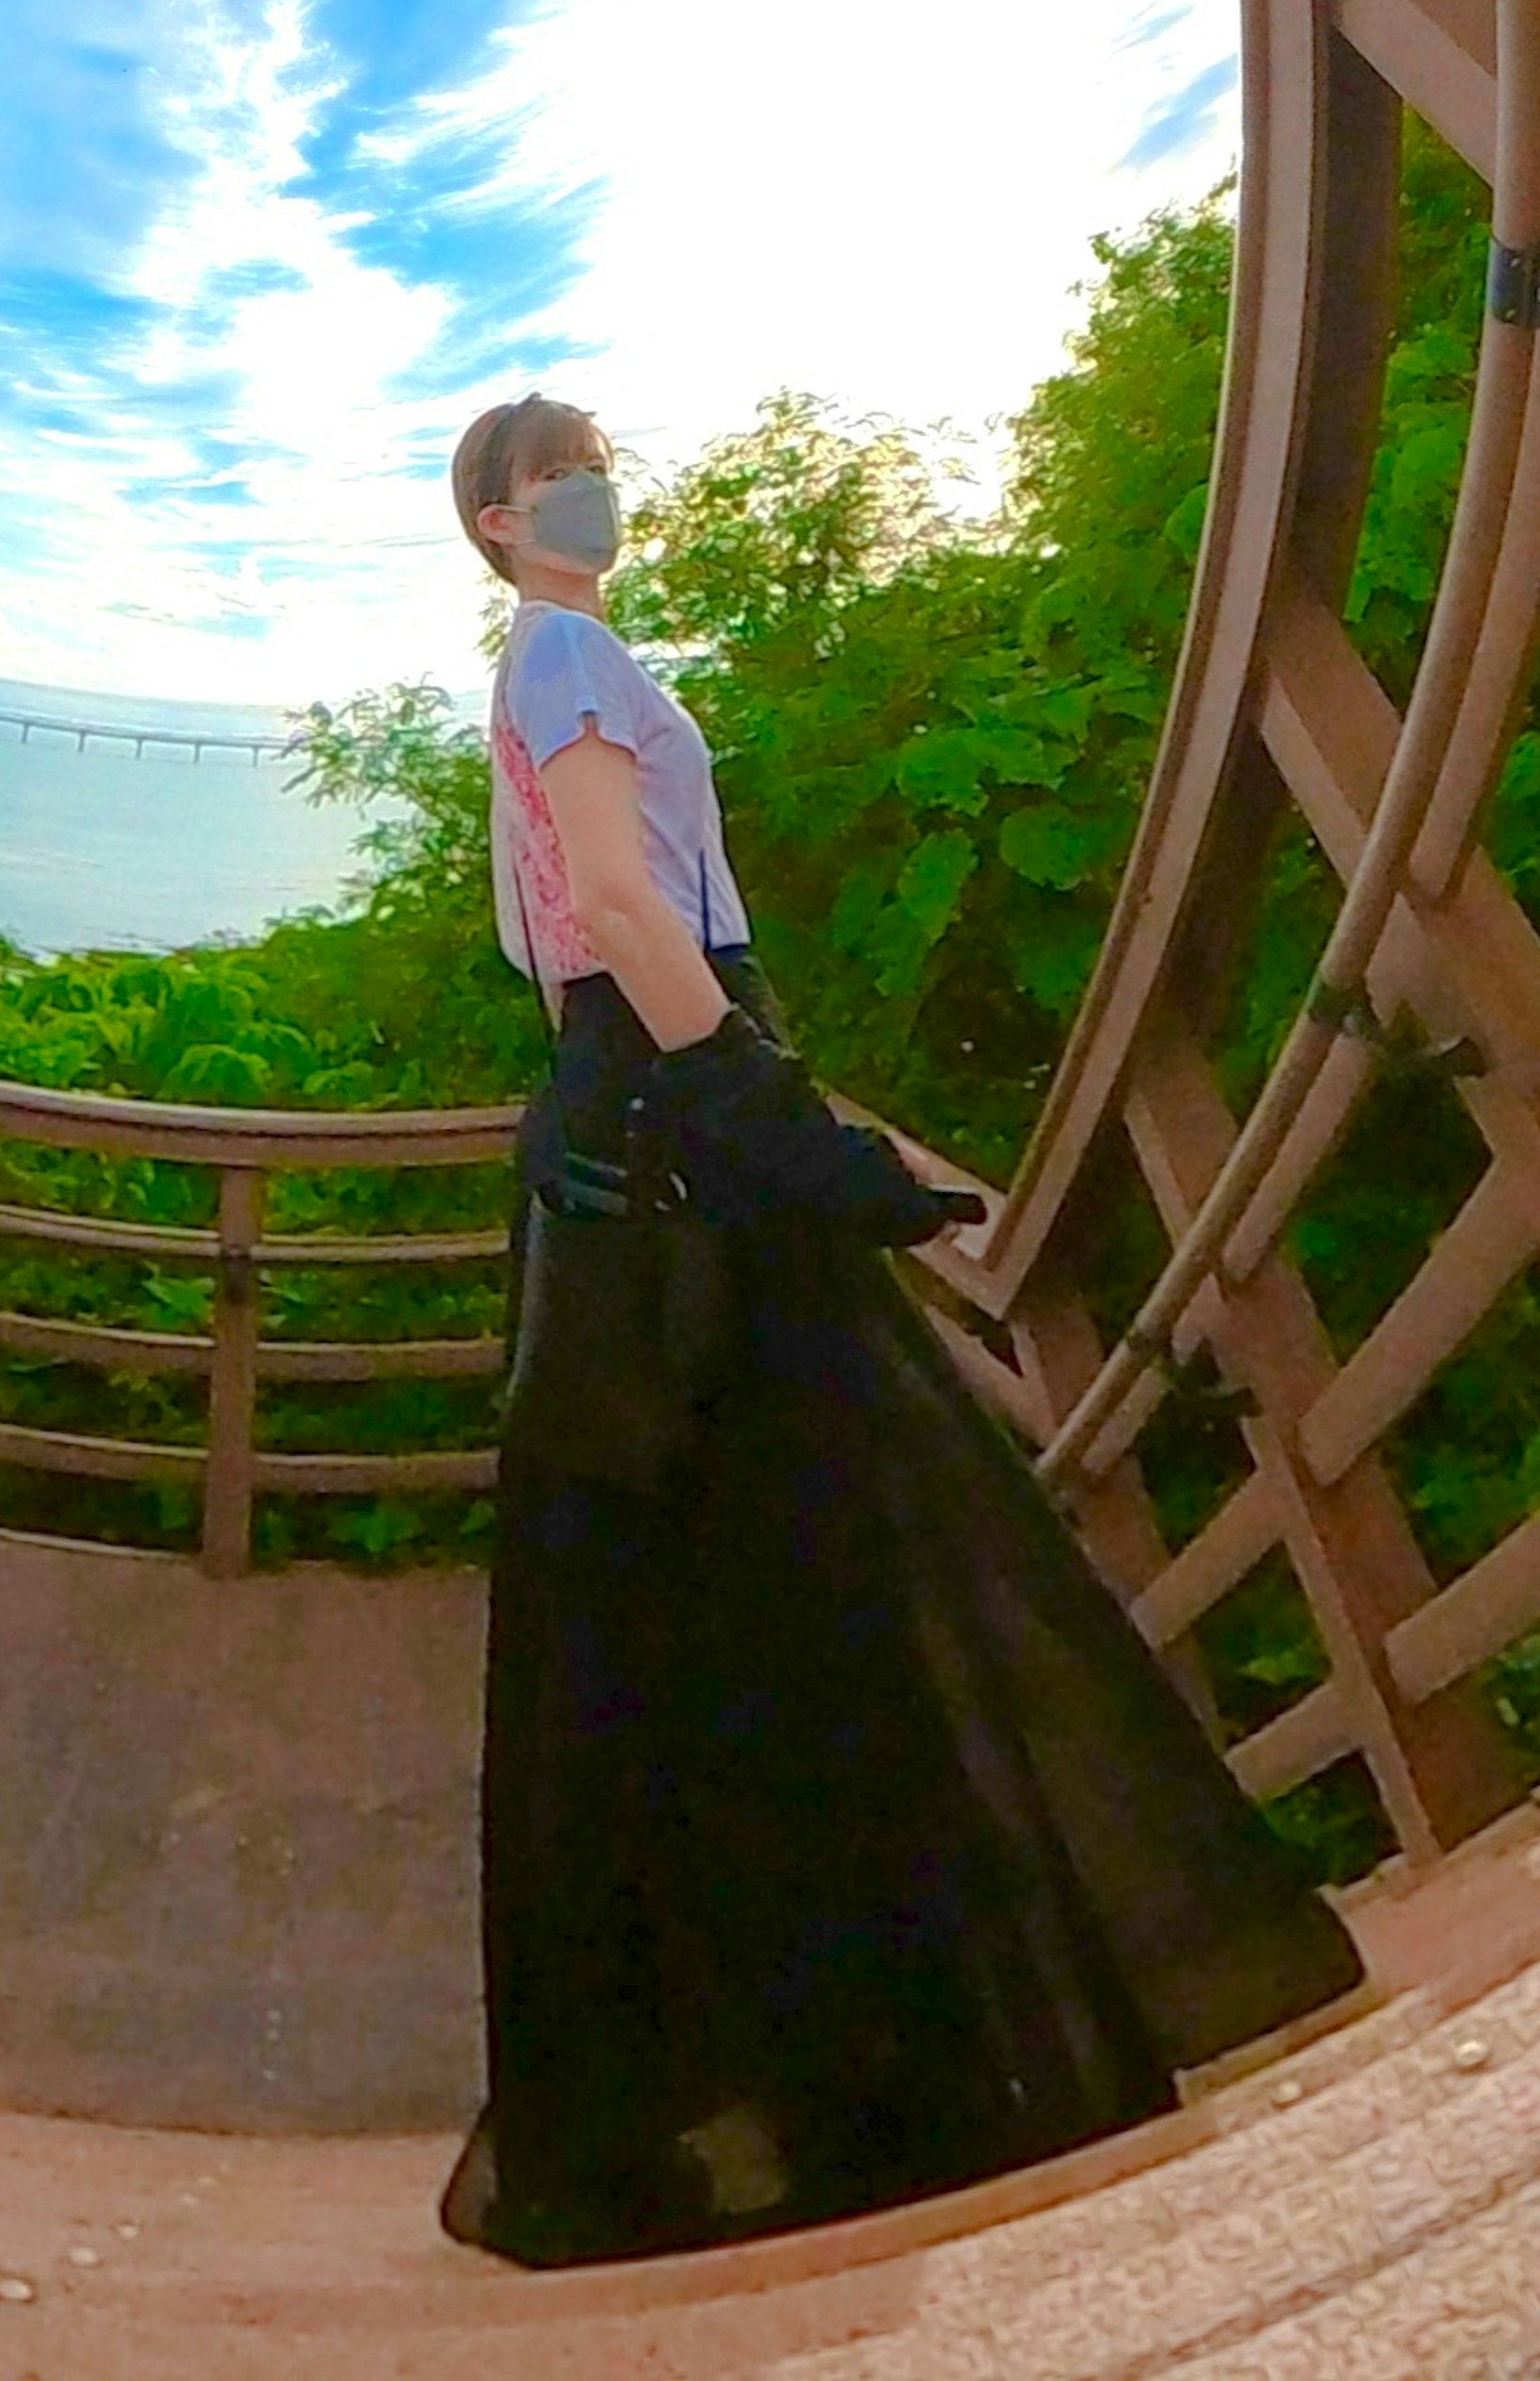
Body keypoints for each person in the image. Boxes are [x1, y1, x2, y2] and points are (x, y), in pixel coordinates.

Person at [440, 391, 1363, 2272]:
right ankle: (889, 2046)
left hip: (628, 1113)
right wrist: (773, 1118)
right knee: (826, 1549)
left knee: (715, 1590)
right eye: (552, 478)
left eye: (598, 462)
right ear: (492, 518)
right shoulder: (566, 648)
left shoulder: (543, 664)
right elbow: (618, 900)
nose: (590, 494)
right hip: (685, 1099)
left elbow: (560, 938)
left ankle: (811, 2056)